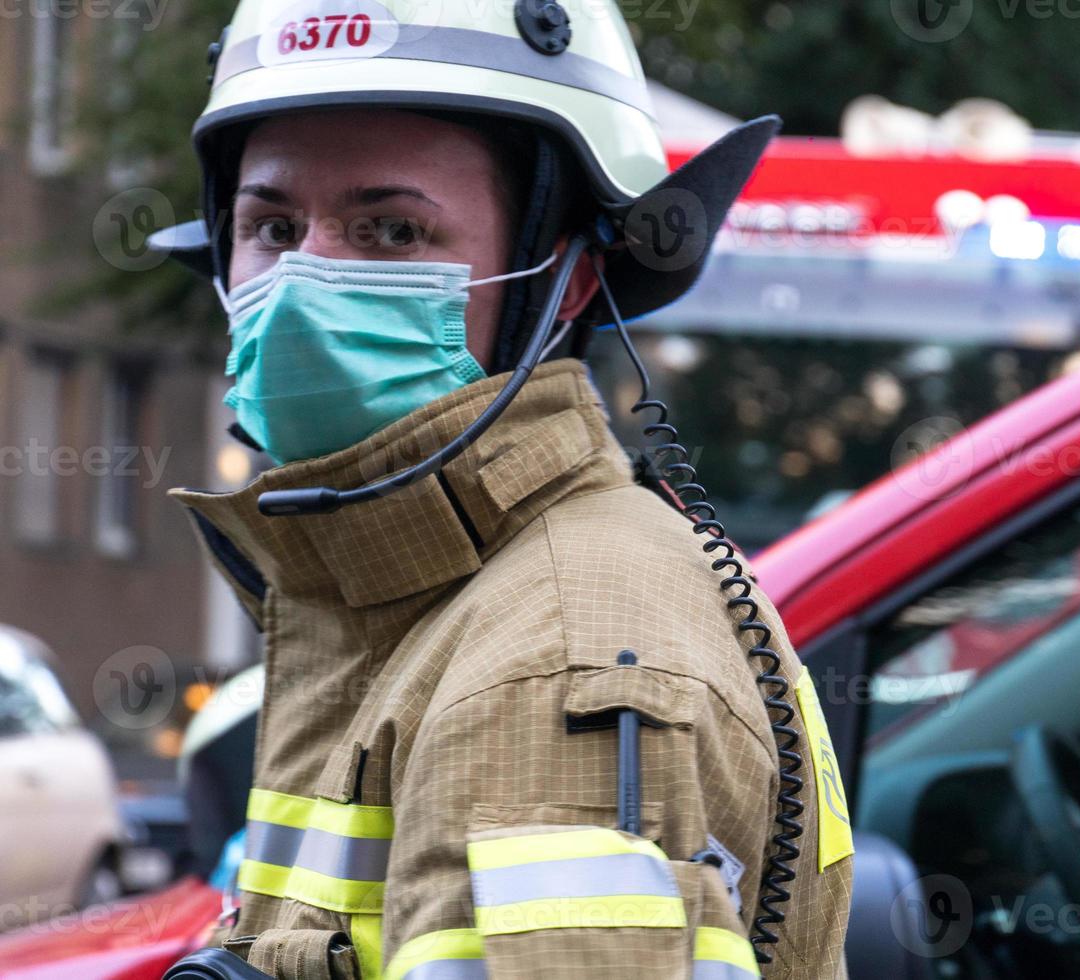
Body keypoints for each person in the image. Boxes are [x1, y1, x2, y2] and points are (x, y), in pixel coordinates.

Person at [148, 2, 855, 977]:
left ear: (565, 275)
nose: (307, 283)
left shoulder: (560, 658)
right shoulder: (406, 591)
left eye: (392, 229)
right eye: (272, 225)